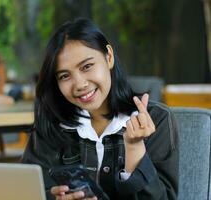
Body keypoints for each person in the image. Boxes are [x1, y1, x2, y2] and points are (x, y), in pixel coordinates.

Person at [22, 18, 178, 200]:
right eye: (65, 76)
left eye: (87, 66)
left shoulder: (157, 120)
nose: (79, 84)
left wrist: (135, 149)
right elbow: (26, 190)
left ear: (109, 57)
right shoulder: (52, 124)